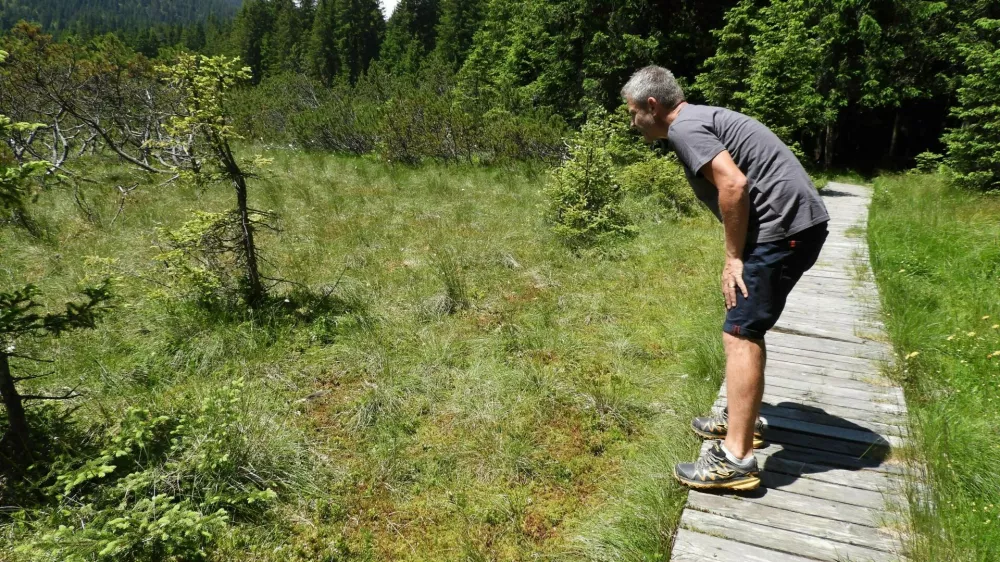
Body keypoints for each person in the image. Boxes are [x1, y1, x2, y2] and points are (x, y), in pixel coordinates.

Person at [621, 66, 830, 491]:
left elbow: (733, 184)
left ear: (652, 106)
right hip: (794, 226)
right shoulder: (702, 117)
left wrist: (733, 258)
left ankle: (737, 459)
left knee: (740, 332)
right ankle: (741, 421)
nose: (632, 123)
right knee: (744, 325)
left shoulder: (685, 129)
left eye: (632, 113)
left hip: (782, 230)